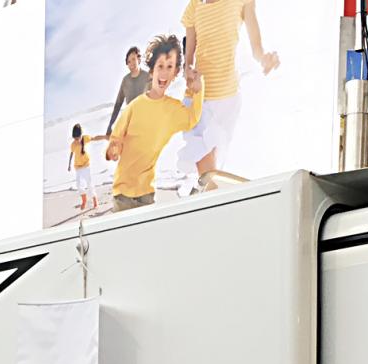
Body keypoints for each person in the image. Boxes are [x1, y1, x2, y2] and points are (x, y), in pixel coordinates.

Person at [178, 0, 279, 192]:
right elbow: (189, 56)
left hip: (227, 98)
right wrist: (188, 70)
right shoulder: (194, 5)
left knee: (213, 165)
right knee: (202, 157)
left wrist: (265, 58)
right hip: (198, 95)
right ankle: (207, 196)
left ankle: (204, 194)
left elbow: (256, 48)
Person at [105, 34, 203, 211]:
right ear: (152, 71)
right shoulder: (135, 106)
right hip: (122, 193)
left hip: (147, 194)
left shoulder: (172, 110)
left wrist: (197, 91)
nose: (164, 72)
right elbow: (117, 134)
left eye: (169, 67)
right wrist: (114, 147)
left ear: (175, 73)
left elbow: (191, 119)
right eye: (160, 66)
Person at [105, 46, 151, 136]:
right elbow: (118, 104)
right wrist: (110, 125)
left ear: (139, 59)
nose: (131, 63)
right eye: (129, 61)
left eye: (133, 59)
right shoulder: (125, 81)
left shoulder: (148, 77)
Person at [67, 124, 104, 210]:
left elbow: (94, 138)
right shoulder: (73, 144)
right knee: (79, 185)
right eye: (75, 138)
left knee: (89, 184)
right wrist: (69, 165)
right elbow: (71, 153)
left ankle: (95, 200)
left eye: (78, 138)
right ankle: (84, 200)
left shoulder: (85, 138)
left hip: (86, 166)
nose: (76, 140)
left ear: (81, 135)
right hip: (78, 167)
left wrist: (105, 137)